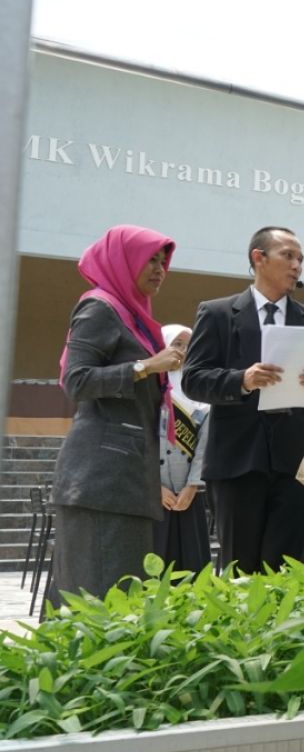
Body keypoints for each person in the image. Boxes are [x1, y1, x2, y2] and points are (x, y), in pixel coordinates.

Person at [182, 226, 304, 573]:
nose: (297, 265)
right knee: (241, 566)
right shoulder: (218, 313)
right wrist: (242, 380)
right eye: (288, 256)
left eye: (300, 259)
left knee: (293, 568)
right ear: (258, 258)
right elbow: (193, 379)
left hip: (295, 460)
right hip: (237, 459)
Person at [49, 224, 183, 607]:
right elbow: (76, 380)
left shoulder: (133, 316)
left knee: (120, 599)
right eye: (150, 259)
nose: (159, 269)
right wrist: (147, 366)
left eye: (163, 261)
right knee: (97, 601)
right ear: (124, 261)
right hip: (102, 480)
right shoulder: (100, 307)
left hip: (126, 480)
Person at [155, 324, 213, 574]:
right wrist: (153, 487)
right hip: (154, 497)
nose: (183, 351)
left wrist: (192, 487)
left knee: (191, 568)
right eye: (177, 344)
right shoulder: (149, 392)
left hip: (188, 498)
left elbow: (204, 448)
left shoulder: (201, 395)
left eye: (189, 345)